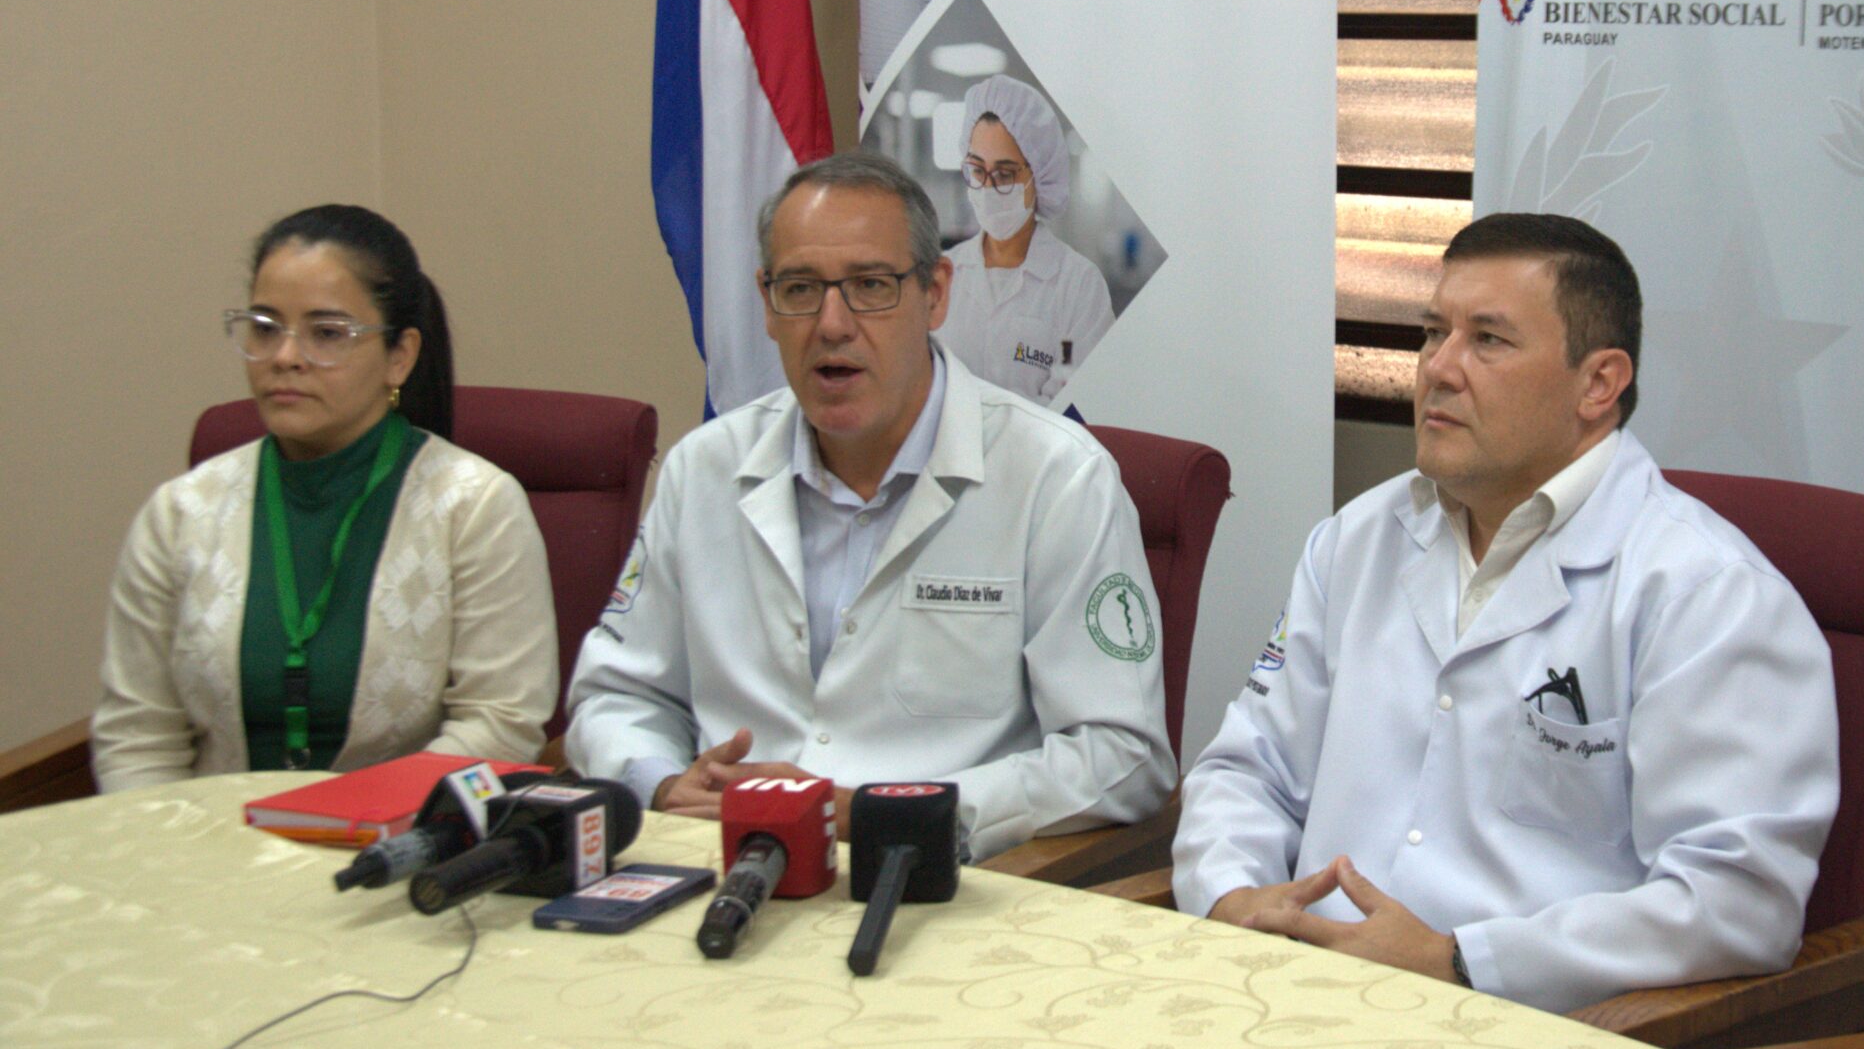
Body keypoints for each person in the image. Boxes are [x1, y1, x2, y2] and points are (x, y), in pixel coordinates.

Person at [1172, 213, 1839, 1014]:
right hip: (1289, 993)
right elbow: (1248, 770)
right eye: (1433, 332)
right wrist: (1231, 893)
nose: (1438, 369)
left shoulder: (1705, 591)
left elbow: (1735, 901)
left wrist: (1462, 960)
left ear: (1599, 383)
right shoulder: (1356, 538)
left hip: (1527, 1032)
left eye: (1487, 340)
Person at [564, 151, 1173, 858]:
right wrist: (663, 782)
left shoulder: (1058, 478)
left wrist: (888, 812)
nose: (831, 323)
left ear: (936, 293)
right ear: (766, 302)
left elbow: (1122, 755)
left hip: (931, 889)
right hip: (715, 867)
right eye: (799, 288)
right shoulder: (705, 469)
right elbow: (616, 693)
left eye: (871, 286)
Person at [91, 206, 556, 790]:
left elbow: (500, 727)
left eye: (327, 333)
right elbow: (138, 738)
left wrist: (337, 826)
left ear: (400, 356)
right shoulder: (180, 513)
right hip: (204, 852)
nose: (284, 356)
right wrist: (170, 859)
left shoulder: (475, 505)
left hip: (397, 852)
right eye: (264, 326)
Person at [938, 74, 1117, 406]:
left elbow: (1075, 410)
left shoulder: (1078, 285)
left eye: (1005, 174)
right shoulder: (944, 274)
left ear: (1040, 176)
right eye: (977, 170)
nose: (988, 188)